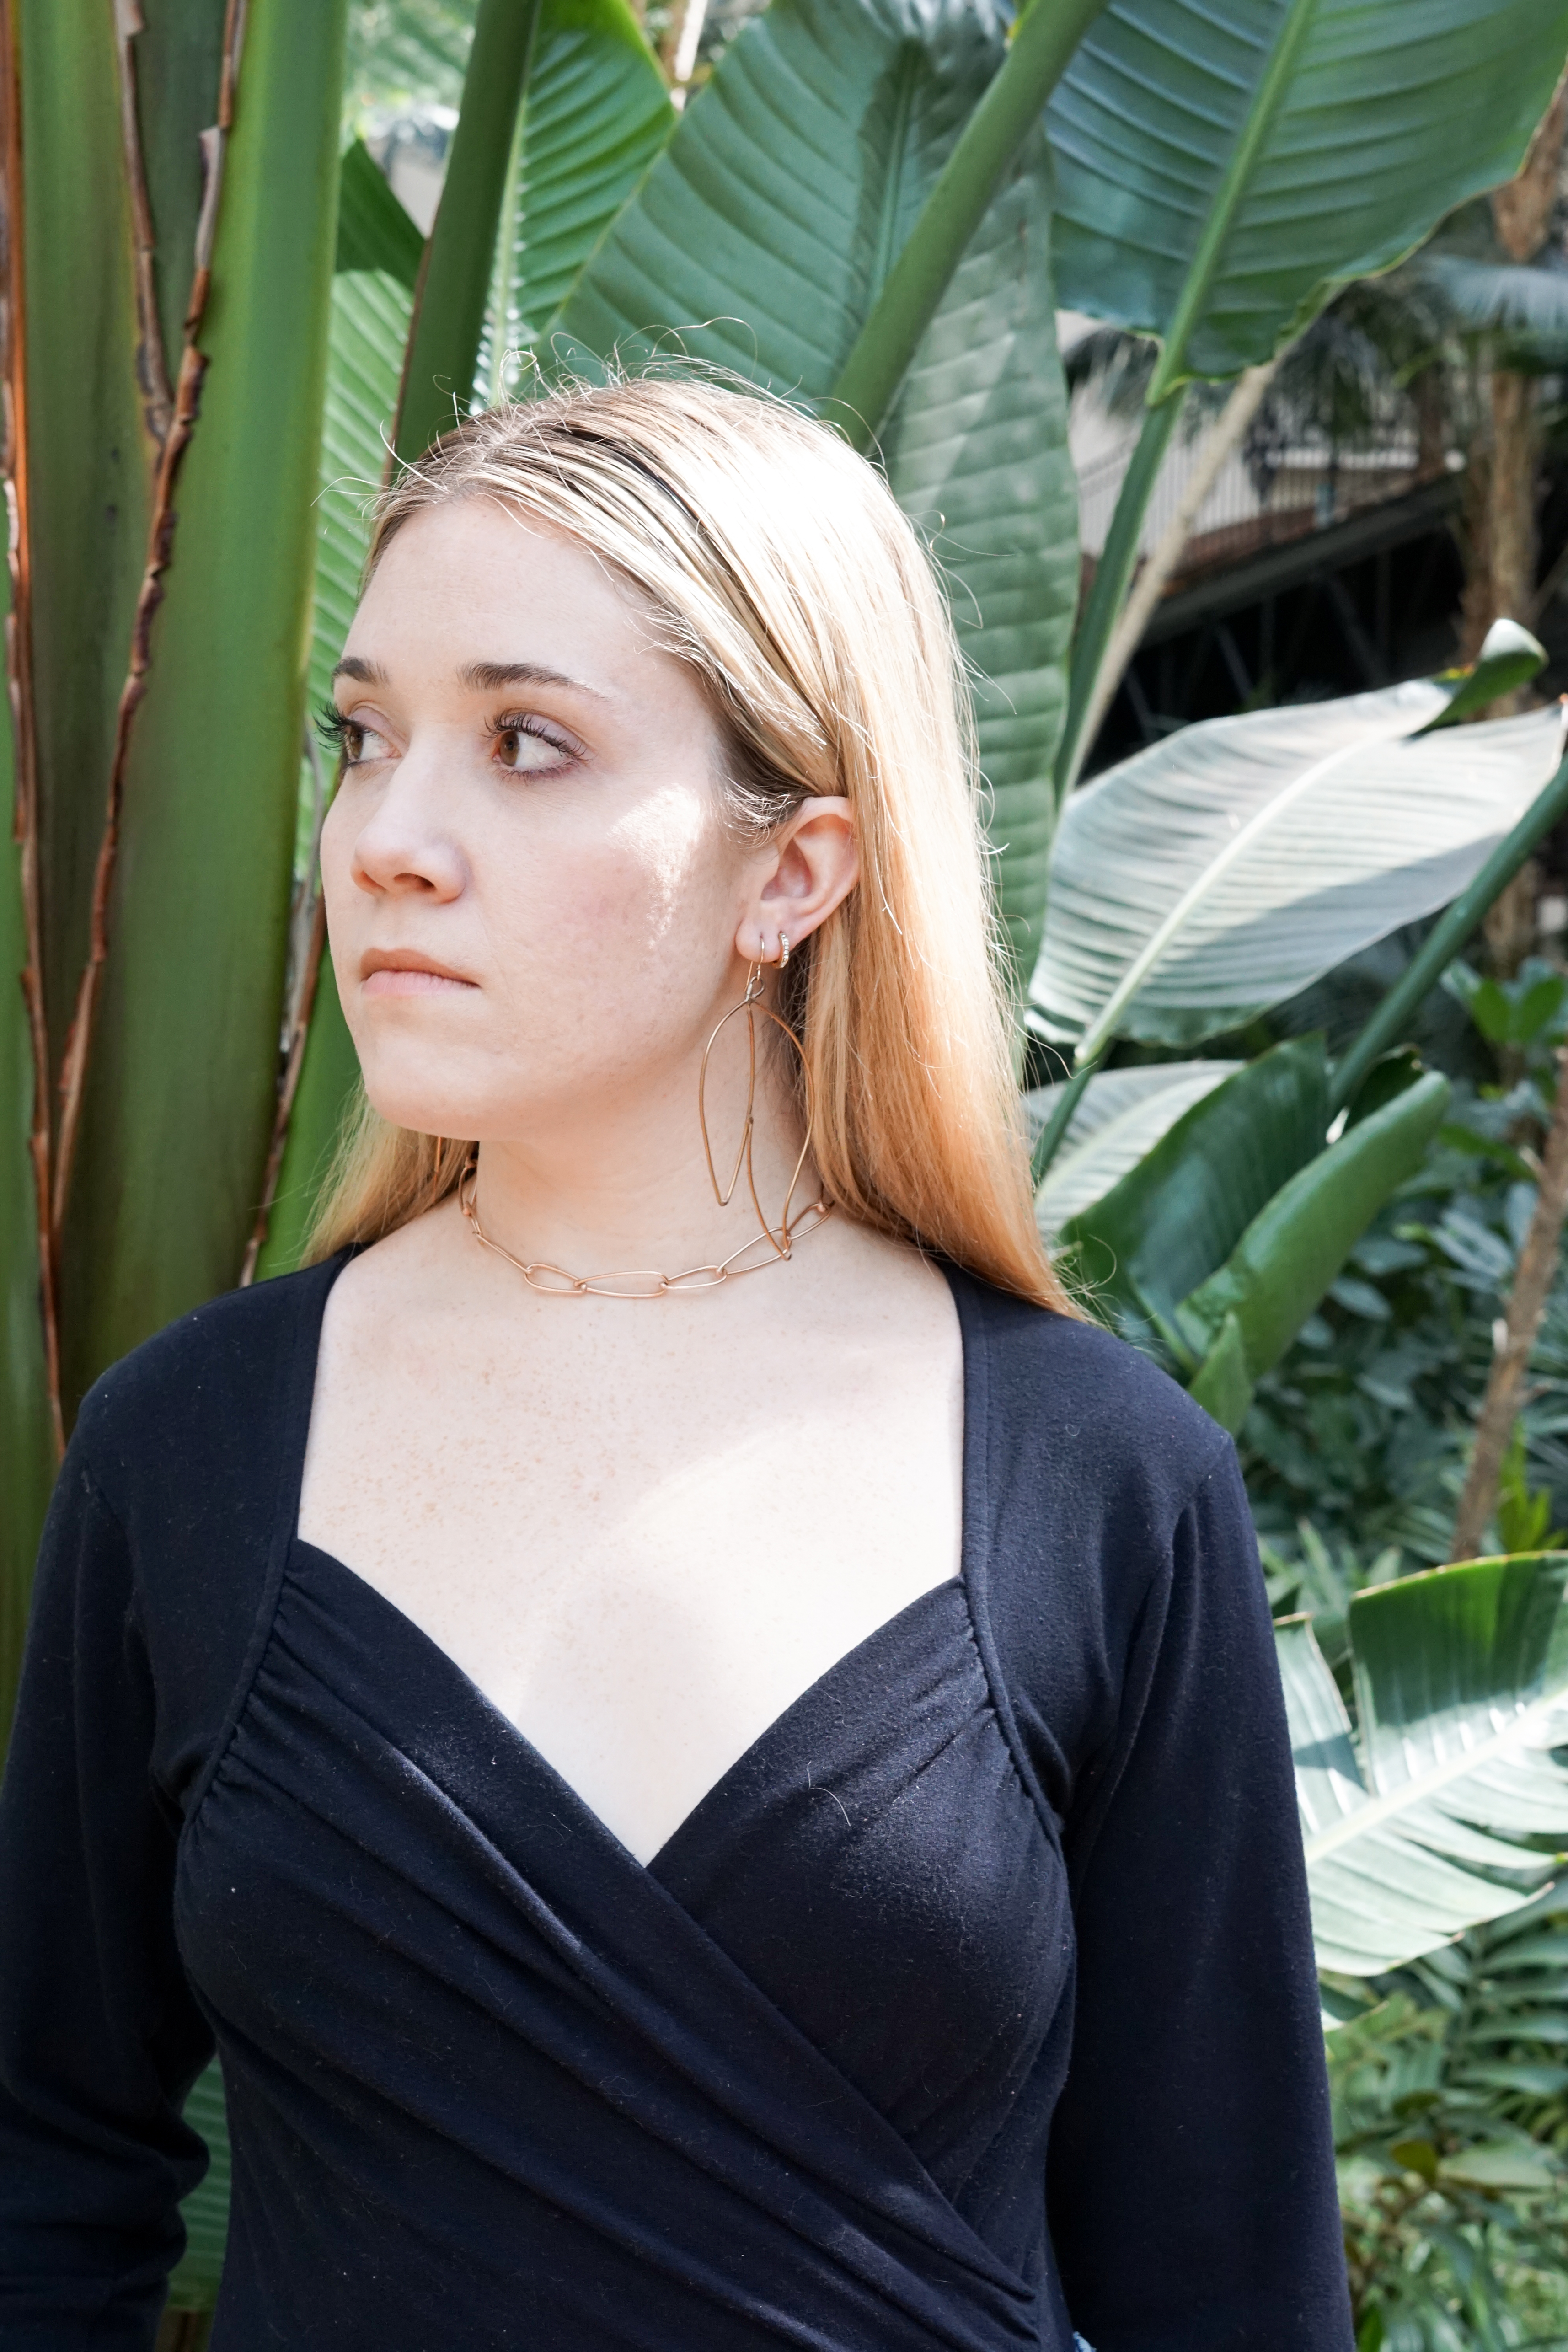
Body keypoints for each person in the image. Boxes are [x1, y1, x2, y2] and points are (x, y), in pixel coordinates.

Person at [0, 375, 1352, 2351]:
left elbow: (1229, 2277)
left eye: (526, 743)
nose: (387, 837)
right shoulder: (191, 1447)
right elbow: (41, 2169)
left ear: (793, 871)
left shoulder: (1098, 1479)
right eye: (366, 737)